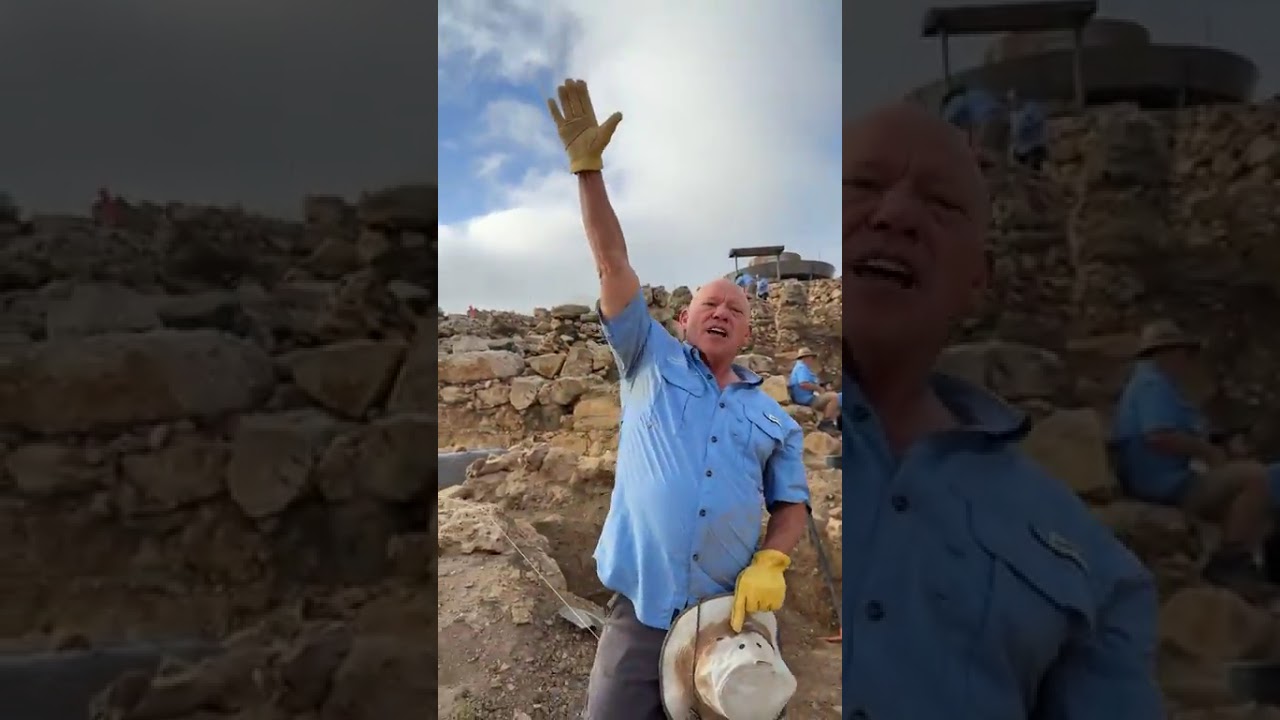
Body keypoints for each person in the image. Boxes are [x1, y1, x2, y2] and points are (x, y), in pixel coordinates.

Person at [841, 103, 1162, 718]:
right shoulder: (713, 425)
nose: (897, 214)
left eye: (941, 205)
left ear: (978, 278)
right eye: (862, 186)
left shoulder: (1096, 566)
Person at [547, 78, 811, 719]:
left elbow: (793, 503)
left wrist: (773, 558)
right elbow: (612, 265)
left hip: (727, 619)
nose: (721, 312)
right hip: (641, 613)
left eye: (735, 308)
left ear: (748, 329)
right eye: (709, 304)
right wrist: (588, 172)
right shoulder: (648, 357)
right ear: (685, 319)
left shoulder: (773, 415)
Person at [1111, 319, 1275, 592]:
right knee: (1257, 478)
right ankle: (1229, 562)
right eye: (1184, 354)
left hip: (1168, 480)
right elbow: (1159, 435)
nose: (1187, 362)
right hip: (1167, 485)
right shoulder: (1153, 384)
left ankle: (1254, 568)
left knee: (1260, 497)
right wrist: (1208, 452)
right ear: (1168, 352)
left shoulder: (1153, 386)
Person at [788, 347, 839, 432]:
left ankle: (833, 425)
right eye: (811, 358)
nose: (812, 360)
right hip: (806, 399)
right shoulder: (801, 367)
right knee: (834, 397)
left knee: (836, 403)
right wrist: (819, 389)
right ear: (806, 358)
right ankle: (825, 423)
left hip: (807, 398)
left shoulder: (802, 368)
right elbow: (803, 384)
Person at [1008, 89, 1048, 171]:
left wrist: (1025, 126)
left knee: (1034, 173)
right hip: (1020, 150)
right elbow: (1014, 131)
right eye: (1010, 100)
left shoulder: (1032, 108)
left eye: (1014, 99)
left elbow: (1039, 122)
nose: (1012, 102)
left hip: (1034, 148)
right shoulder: (1013, 113)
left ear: (1021, 98)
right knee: (1023, 175)